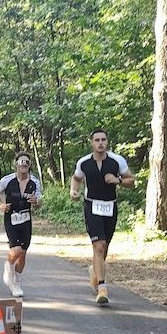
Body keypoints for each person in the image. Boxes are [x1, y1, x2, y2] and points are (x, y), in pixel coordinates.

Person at [70, 129, 136, 305]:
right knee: (99, 246)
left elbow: (132, 181)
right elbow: (76, 178)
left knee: (104, 248)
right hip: (91, 205)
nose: (100, 143)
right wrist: (74, 191)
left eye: (103, 140)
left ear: (107, 142)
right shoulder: (84, 162)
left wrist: (118, 181)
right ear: (91, 142)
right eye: (97, 140)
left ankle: (95, 270)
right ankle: (102, 288)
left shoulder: (117, 161)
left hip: (110, 207)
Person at [0, 152, 42, 298]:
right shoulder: (7, 180)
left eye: (27, 162)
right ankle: (8, 267)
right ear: (17, 164)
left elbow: (39, 202)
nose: (24, 164)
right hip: (11, 217)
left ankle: (17, 282)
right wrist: (1, 205)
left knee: (23, 253)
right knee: (16, 250)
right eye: (21, 162)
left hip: (26, 218)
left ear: (30, 165)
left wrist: (36, 202)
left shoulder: (35, 182)